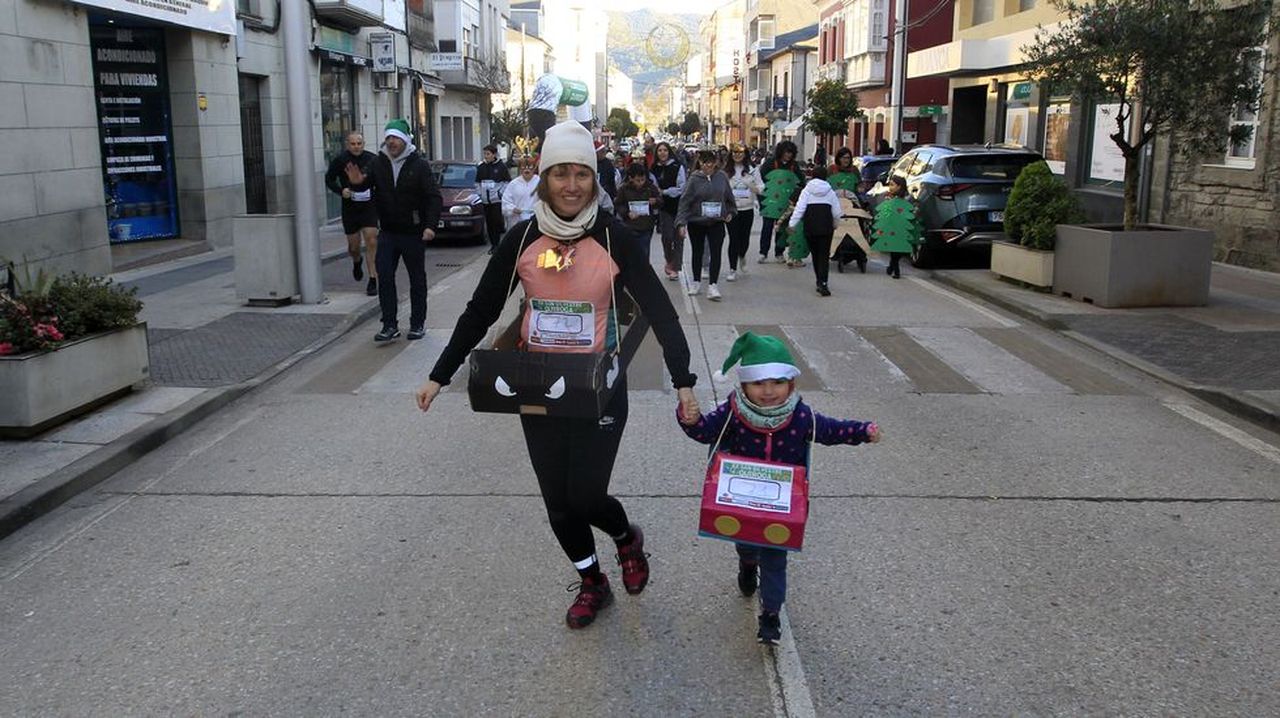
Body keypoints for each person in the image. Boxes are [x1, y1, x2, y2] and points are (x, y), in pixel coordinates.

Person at [415, 120, 701, 630]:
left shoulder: (613, 237)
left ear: (594, 180)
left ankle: (625, 538)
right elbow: (481, 310)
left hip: (596, 387)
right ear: (543, 179)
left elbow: (660, 310)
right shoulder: (523, 238)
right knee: (559, 505)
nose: (572, 185)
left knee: (586, 496)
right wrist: (441, 374)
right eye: (560, 174)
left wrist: (684, 382)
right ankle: (592, 581)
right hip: (536, 385)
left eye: (582, 174)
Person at [678, 332, 880, 644]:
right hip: (740, 503)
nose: (769, 391)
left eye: (777, 382)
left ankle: (770, 615)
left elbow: (831, 430)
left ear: (791, 384)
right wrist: (690, 419)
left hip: (780, 509)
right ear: (744, 385)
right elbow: (705, 432)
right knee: (745, 544)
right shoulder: (733, 411)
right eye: (759, 383)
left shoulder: (801, 416)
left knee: (775, 559)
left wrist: (862, 431)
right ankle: (746, 563)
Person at [344, 119, 443, 342]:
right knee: (385, 276)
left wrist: (430, 226)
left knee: (417, 279)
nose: (391, 142)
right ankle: (389, 324)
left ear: (405, 140)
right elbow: (364, 183)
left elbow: (433, 198)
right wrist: (358, 182)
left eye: (395, 138)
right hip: (388, 232)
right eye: (388, 138)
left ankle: (417, 323)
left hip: (413, 232)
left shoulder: (419, 165)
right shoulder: (379, 162)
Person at [323, 131, 380, 296]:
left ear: (364, 144)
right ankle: (357, 261)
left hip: (369, 206)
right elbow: (329, 179)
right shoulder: (341, 160)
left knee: (371, 240)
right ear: (347, 145)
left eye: (359, 143)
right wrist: (342, 191)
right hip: (350, 208)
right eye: (353, 144)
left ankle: (372, 279)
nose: (356, 147)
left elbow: (381, 179)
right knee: (354, 247)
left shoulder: (372, 159)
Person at [676, 149, 736, 301]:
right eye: (704, 163)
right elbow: (685, 201)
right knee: (698, 251)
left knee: (716, 252)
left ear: (715, 163)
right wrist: (681, 223)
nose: (707, 166)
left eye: (710, 163)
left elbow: (729, 199)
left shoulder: (722, 177)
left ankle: (713, 285)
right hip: (697, 221)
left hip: (716, 221)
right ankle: (696, 282)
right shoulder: (694, 179)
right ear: (700, 163)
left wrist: (730, 212)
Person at [788, 166, 843, 296]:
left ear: (812, 176)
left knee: (815, 254)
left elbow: (799, 209)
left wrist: (792, 224)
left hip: (810, 226)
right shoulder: (830, 192)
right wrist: (835, 224)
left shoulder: (806, 191)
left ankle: (819, 279)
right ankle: (823, 282)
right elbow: (836, 212)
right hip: (826, 226)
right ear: (826, 177)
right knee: (824, 255)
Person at [757, 141, 806, 262]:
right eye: (786, 152)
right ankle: (763, 252)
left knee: (782, 228)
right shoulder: (770, 164)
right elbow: (760, 181)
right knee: (767, 227)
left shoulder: (794, 166)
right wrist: (762, 199)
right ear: (781, 152)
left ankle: (779, 252)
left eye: (790, 153)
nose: (788, 155)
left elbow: (801, 182)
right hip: (770, 203)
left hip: (786, 203)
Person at [869, 175, 922, 279]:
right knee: (894, 249)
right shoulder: (888, 198)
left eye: (892, 185)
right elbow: (885, 213)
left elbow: (914, 211)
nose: (890, 187)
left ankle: (892, 266)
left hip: (902, 228)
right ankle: (896, 269)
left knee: (899, 249)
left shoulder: (908, 198)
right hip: (892, 228)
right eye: (890, 185)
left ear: (900, 186)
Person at [724, 143, 763, 281]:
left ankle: (742, 255)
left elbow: (761, 187)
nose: (737, 155)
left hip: (747, 208)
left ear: (745, 154)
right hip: (732, 210)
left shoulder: (753, 170)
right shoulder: (726, 170)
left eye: (740, 152)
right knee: (733, 239)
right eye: (734, 152)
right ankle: (732, 269)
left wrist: (751, 185)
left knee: (744, 239)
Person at [653, 142, 687, 280]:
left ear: (669, 152)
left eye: (665, 150)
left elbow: (682, 187)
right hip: (664, 208)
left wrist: (665, 191)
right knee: (667, 237)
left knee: (679, 238)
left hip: (679, 206)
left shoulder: (677, 167)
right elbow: (652, 186)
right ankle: (669, 260)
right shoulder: (654, 168)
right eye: (660, 150)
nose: (662, 153)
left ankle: (676, 267)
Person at [615, 162, 661, 260]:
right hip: (629, 226)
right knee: (630, 255)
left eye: (642, 180)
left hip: (646, 226)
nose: (640, 183)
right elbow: (618, 204)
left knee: (644, 254)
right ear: (631, 178)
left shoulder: (650, 187)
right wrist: (627, 213)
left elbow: (661, 201)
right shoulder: (624, 189)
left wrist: (656, 201)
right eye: (637, 180)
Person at [476, 145, 512, 254]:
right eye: (485, 154)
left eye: (488, 154)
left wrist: (499, 194)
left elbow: (507, 182)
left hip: (496, 201)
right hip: (485, 201)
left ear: (494, 154)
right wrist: (480, 194)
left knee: (496, 223)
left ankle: (497, 245)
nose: (486, 156)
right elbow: (477, 182)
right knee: (489, 224)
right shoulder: (481, 167)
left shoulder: (501, 167)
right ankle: (493, 245)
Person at [501, 157, 539, 230]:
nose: (526, 170)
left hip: (536, 221)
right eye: (523, 167)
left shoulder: (540, 182)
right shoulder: (513, 184)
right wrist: (512, 209)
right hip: (517, 222)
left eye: (530, 167)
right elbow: (505, 202)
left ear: (534, 168)